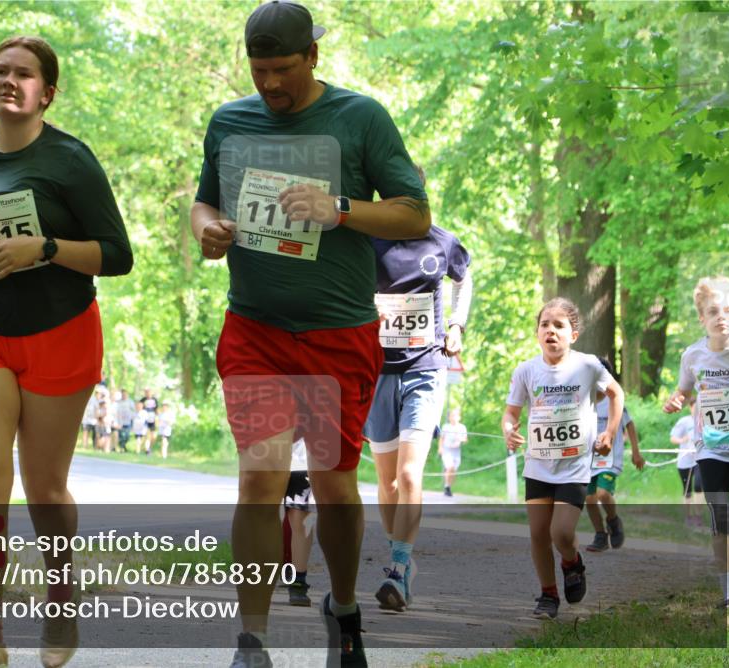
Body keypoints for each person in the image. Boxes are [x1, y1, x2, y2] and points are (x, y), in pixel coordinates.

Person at [190, 2, 430, 665]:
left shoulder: (360, 118)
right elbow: (205, 198)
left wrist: (340, 208)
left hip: (336, 334)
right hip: (256, 330)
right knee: (260, 480)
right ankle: (252, 638)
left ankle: (345, 608)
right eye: (258, 69)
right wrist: (204, 225)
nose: (269, 84)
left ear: (313, 57)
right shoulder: (230, 122)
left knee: (333, 484)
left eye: (282, 69)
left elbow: (414, 214)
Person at [0, 35, 132, 668]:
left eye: (23, 74)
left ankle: (61, 596)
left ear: (48, 91)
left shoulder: (70, 161)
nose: (8, 81)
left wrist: (43, 249)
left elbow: (117, 256)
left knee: (45, 488)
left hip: (60, 331)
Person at [365, 221, 471, 612]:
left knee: (409, 475)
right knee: (387, 482)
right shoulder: (368, 238)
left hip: (426, 369)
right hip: (376, 371)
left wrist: (457, 324)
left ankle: (398, 565)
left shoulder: (440, 240)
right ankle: (401, 557)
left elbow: (464, 278)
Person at [502, 298, 623, 619]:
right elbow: (511, 411)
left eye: (559, 326)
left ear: (574, 334)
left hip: (574, 466)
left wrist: (609, 432)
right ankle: (548, 595)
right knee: (539, 534)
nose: (551, 331)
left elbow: (616, 394)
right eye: (545, 325)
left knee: (562, 533)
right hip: (538, 465)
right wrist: (508, 428)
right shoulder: (526, 370)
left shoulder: (587, 366)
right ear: (537, 333)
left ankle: (572, 563)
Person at [664, 276, 729, 610]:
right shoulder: (693, 355)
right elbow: (684, 391)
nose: (721, 317)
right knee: (720, 520)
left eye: (728, 310)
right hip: (710, 448)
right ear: (702, 318)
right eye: (713, 311)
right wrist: (675, 399)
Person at [585, 356, 645, 552]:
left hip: (610, 457)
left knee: (603, 493)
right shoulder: (584, 400)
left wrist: (636, 452)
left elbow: (629, 424)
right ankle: (600, 535)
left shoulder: (614, 399)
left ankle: (613, 520)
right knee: (590, 499)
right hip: (588, 458)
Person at [283, 438, 316, 607]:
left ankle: (298, 581)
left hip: (302, 451)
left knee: (300, 515)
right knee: (263, 513)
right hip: (265, 442)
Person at [671, 394, 705, 526]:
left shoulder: (705, 421)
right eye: (695, 407)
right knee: (687, 490)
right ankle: (688, 516)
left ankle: (698, 516)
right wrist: (682, 440)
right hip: (684, 461)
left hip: (699, 460)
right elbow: (673, 438)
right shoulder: (684, 422)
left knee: (698, 486)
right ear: (690, 407)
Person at [439, 407, 468, 498]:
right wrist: (440, 448)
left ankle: (448, 486)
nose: (454, 417)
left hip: (456, 451)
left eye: (456, 415)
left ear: (459, 417)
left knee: (453, 471)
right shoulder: (445, 426)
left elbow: (465, 439)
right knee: (450, 467)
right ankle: (446, 487)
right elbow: (441, 438)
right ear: (449, 417)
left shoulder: (462, 427)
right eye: (452, 415)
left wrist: (461, 439)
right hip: (447, 450)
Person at [142, 388, 158, 454]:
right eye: (146, 392)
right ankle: (147, 450)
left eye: (148, 392)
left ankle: (149, 447)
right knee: (147, 435)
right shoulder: (143, 400)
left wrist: (157, 418)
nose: (147, 393)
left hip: (152, 419)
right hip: (145, 419)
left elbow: (156, 409)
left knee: (153, 436)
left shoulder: (154, 400)